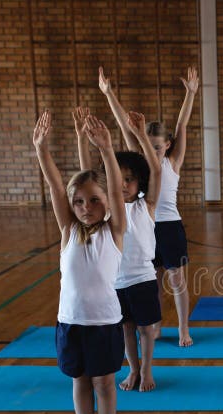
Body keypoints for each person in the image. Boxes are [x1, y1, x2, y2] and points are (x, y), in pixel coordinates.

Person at [33, 109, 126, 414]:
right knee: (80, 382)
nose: (87, 207)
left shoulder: (113, 233)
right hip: (71, 322)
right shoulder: (68, 232)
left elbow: (116, 189)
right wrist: (41, 150)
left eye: (95, 200)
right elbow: (57, 188)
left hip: (104, 323)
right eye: (79, 202)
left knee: (105, 383)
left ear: (106, 202)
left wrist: (105, 150)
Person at [99, 65, 198, 346]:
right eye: (149, 146)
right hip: (144, 226)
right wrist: (109, 94)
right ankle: (153, 326)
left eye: (158, 146)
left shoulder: (173, 160)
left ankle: (182, 328)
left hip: (170, 227)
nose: (153, 151)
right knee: (149, 280)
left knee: (177, 280)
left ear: (168, 145)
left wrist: (190, 94)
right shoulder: (142, 160)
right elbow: (123, 124)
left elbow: (182, 125)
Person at [74, 106, 164, 392]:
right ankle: (133, 370)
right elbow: (86, 174)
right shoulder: (108, 208)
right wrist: (81, 139)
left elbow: (157, 170)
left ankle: (147, 370)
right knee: (126, 328)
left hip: (143, 279)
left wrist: (139, 134)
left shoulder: (145, 205)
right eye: (119, 179)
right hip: (116, 281)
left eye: (130, 179)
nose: (124, 184)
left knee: (146, 329)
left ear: (140, 183)